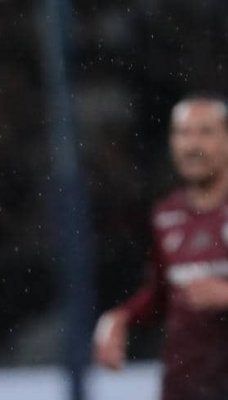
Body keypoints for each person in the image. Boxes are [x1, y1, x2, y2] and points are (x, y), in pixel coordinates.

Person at [93, 95, 228, 400]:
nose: (192, 145)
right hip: (185, 388)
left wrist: (225, 295)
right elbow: (161, 295)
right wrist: (121, 317)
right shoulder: (166, 214)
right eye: (183, 133)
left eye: (205, 132)